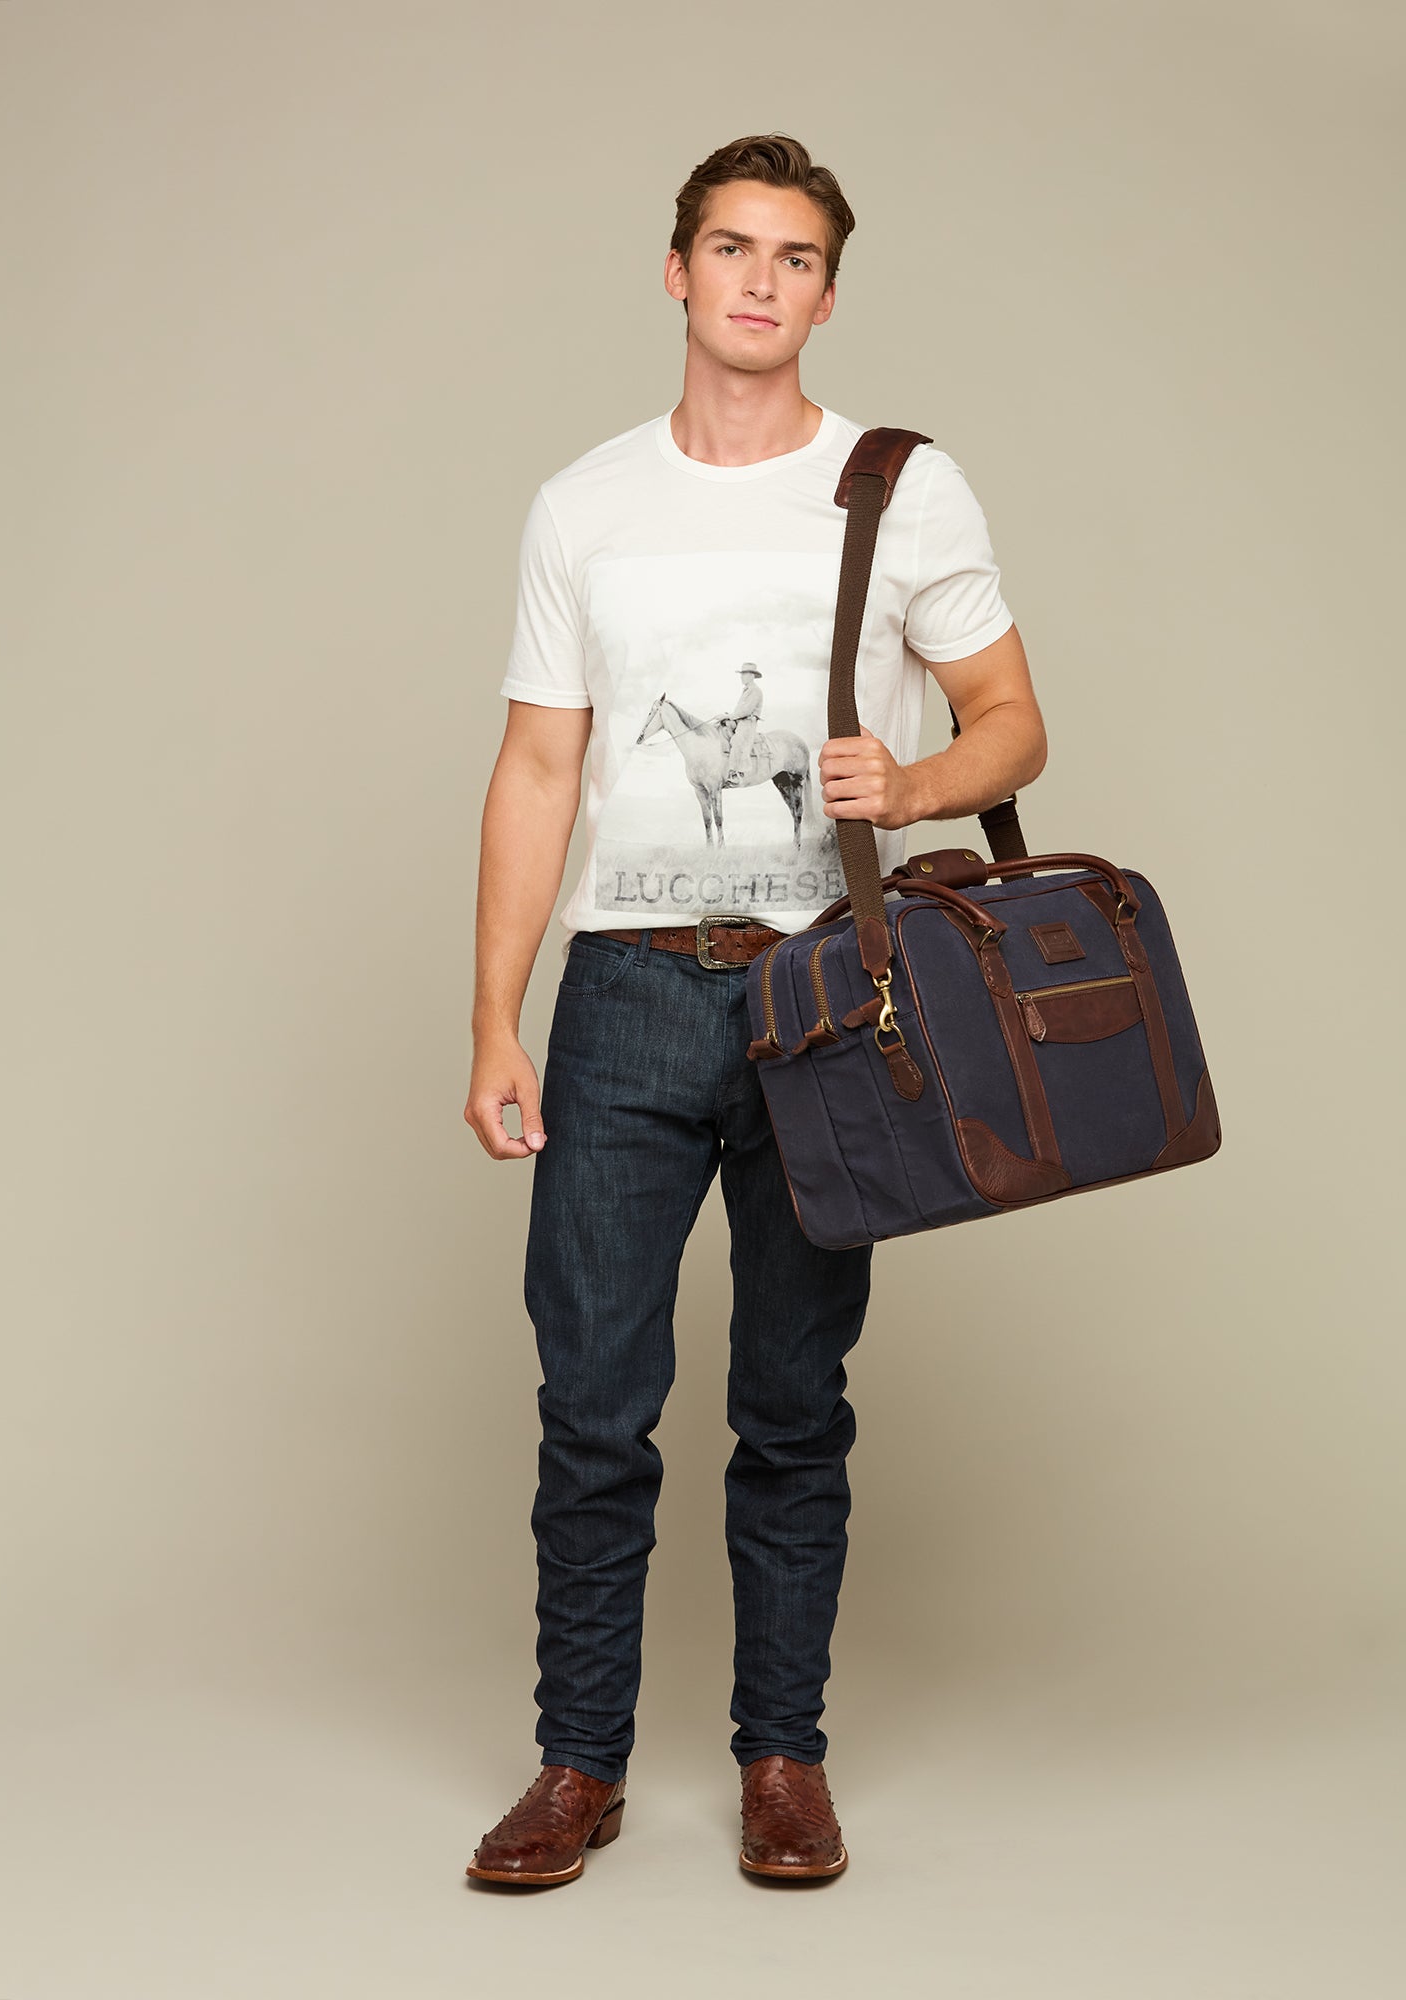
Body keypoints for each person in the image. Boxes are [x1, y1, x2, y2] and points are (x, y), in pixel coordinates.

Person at [464, 131, 1048, 1888]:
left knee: (795, 1403)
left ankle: (783, 1761)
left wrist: (915, 783)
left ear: (826, 294)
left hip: (826, 996)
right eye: (732, 247)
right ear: (678, 271)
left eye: (795, 257)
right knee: (593, 1404)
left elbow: (1016, 720)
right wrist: (494, 1019)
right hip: (626, 994)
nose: (760, 280)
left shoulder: (902, 488)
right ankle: (578, 1763)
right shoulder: (584, 505)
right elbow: (538, 765)